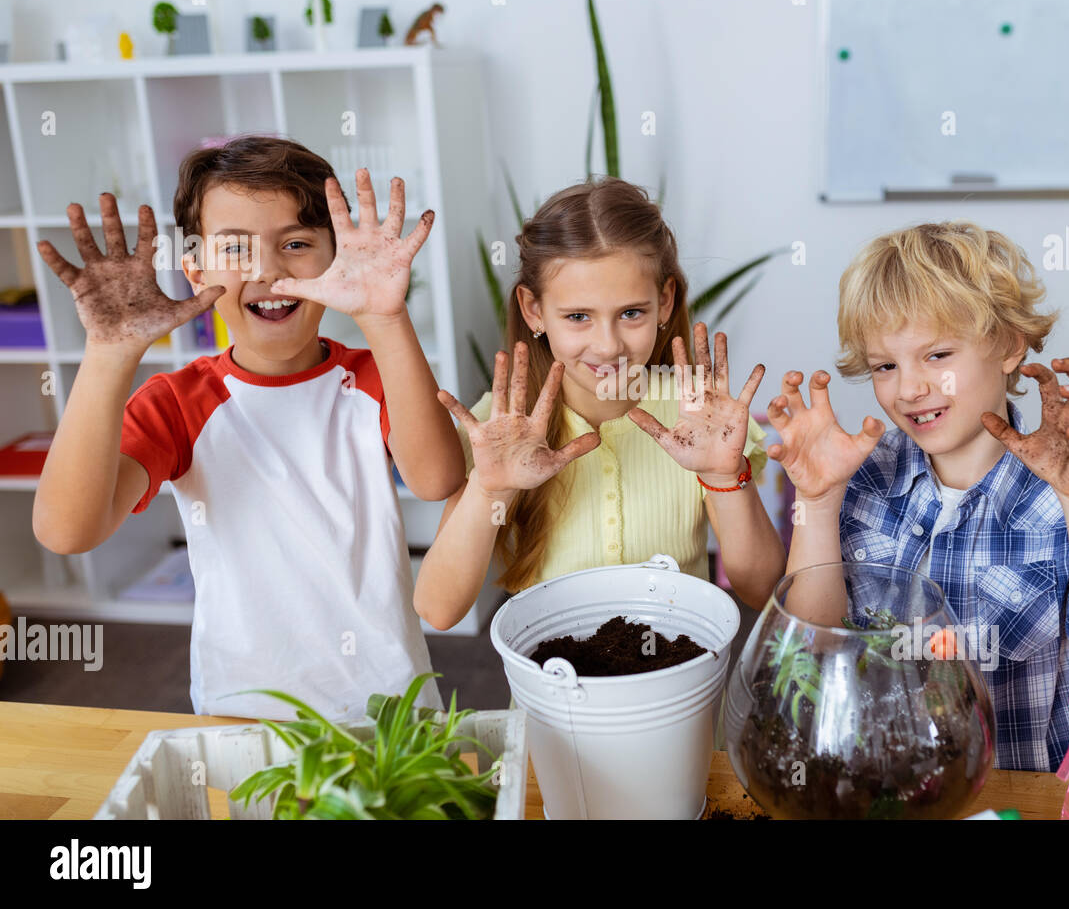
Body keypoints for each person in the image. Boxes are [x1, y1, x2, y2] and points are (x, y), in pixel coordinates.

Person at [32, 135, 463, 720]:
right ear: (194, 269)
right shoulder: (177, 403)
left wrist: (383, 315)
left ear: (337, 258)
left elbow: (438, 478)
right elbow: (66, 530)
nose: (266, 269)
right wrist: (110, 352)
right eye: (235, 249)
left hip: (388, 700)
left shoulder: (374, 376)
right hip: (243, 707)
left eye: (297, 243)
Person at [767, 221, 1069, 771]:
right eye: (885, 366)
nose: (910, 388)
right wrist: (817, 504)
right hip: (878, 790)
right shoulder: (858, 479)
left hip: (1015, 800)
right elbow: (811, 655)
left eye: (937, 355)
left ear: (1009, 345)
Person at [415, 177, 786, 631]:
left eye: (631, 313)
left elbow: (761, 587)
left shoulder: (701, 417)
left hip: (682, 688)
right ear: (534, 311)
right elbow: (438, 609)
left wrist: (722, 474)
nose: (608, 346)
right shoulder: (504, 425)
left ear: (665, 301)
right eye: (578, 317)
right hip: (552, 692)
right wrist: (489, 490)